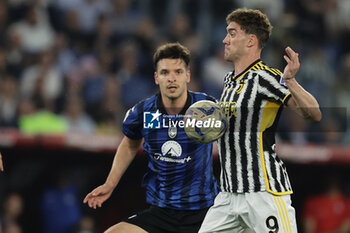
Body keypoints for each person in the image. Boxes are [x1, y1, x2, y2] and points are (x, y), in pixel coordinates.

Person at [199, 8, 322, 233]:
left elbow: (314, 113)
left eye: (232, 33)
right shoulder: (229, 80)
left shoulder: (265, 77)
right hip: (228, 195)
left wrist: (291, 82)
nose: (225, 40)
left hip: (263, 192)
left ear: (250, 41)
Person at [83, 42, 219, 233]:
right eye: (165, 73)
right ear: (156, 77)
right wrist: (110, 184)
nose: (171, 78)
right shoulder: (145, 111)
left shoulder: (206, 108)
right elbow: (130, 144)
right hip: (162, 213)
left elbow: (233, 138)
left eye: (178, 72)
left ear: (188, 75)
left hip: (205, 213)